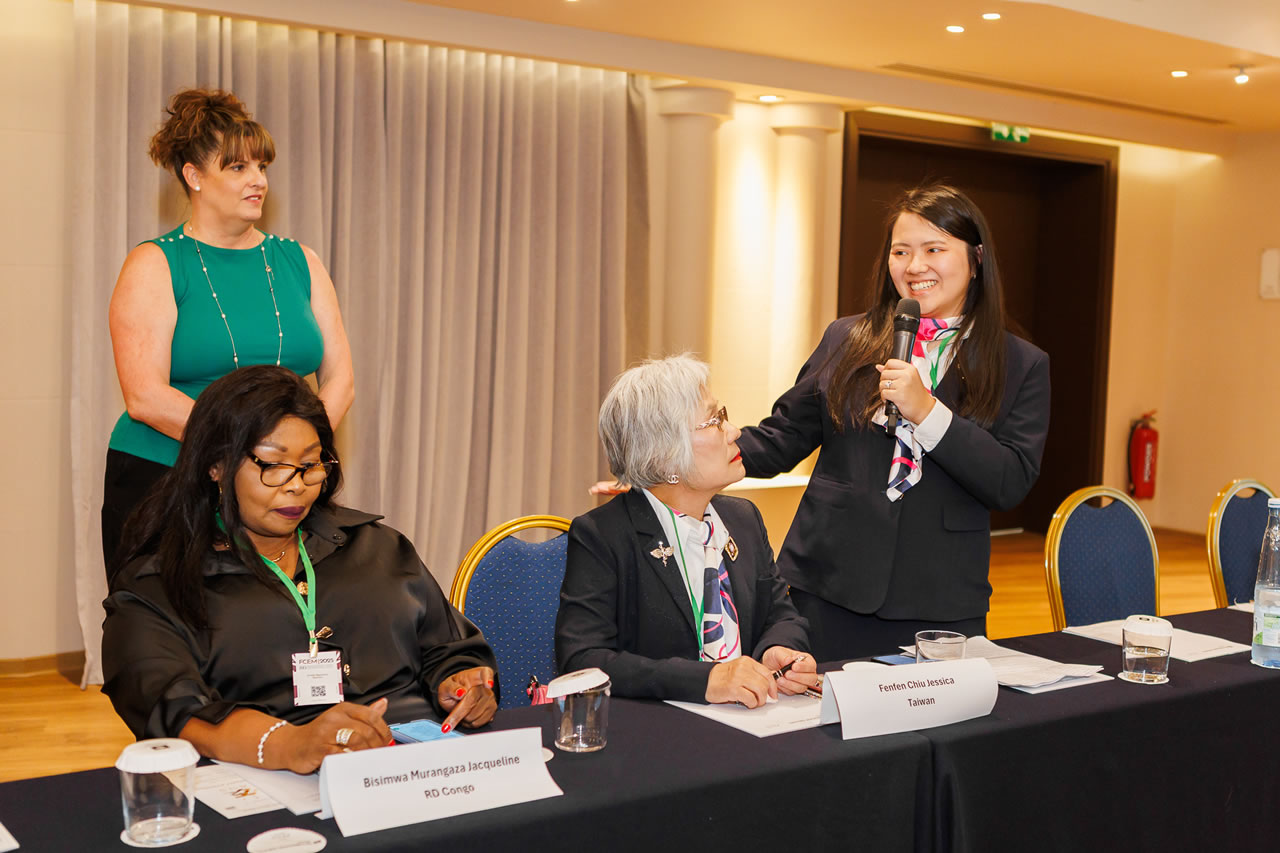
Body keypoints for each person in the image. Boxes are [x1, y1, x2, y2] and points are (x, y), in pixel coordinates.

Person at [102, 366, 495, 773]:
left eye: (310, 464)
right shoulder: (159, 586)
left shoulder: (378, 549)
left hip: (422, 764)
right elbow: (172, 708)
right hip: (269, 774)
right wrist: (289, 744)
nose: (297, 485)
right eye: (273, 465)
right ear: (215, 465)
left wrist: (461, 682)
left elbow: (449, 649)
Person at [735, 184, 1051, 660]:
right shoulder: (847, 338)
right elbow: (782, 437)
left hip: (940, 600)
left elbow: (1009, 481)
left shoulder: (1020, 363)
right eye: (901, 251)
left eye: (934, 249)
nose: (914, 266)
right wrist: (683, 458)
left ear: (977, 258)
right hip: (827, 586)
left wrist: (927, 411)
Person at [103, 88, 354, 577]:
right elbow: (145, 396)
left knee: (284, 614)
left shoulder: (300, 261)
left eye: (261, 166)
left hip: (282, 484)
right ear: (194, 176)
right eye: (238, 167)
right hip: (168, 477)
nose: (258, 180)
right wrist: (252, 453)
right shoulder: (155, 262)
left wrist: (292, 460)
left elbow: (340, 379)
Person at [557, 355, 817, 707]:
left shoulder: (743, 519)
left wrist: (779, 649)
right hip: (663, 730)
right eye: (714, 421)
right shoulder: (603, 536)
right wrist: (705, 680)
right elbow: (582, 659)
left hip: (754, 721)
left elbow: (781, 615)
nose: (734, 432)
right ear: (664, 456)